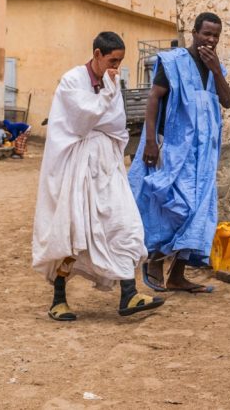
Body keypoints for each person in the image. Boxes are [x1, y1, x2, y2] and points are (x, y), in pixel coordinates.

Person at [32, 32, 165, 321]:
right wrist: (101, 104)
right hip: (74, 169)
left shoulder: (112, 83)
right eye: (112, 61)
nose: (116, 67)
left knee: (124, 223)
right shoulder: (71, 81)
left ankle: (129, 295)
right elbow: (80, 123)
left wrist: (100, 107)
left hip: (105, 167)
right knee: (71, 230)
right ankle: (59, 301)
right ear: (96, 55)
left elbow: (115, 123)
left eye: (120, 61)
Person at [129, 12, 230, 293]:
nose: (210, 40)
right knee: (173, 206)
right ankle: (154, 260)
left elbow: (227, 100)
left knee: (199, 210)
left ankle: (177, 276)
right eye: (206, 34)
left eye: (215, 36)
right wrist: (150, 141)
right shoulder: (172, 62)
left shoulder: (215, 68)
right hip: (174, 148)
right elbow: (154, 98)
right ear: (194, 32)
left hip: (205, 153)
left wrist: (215, 69)